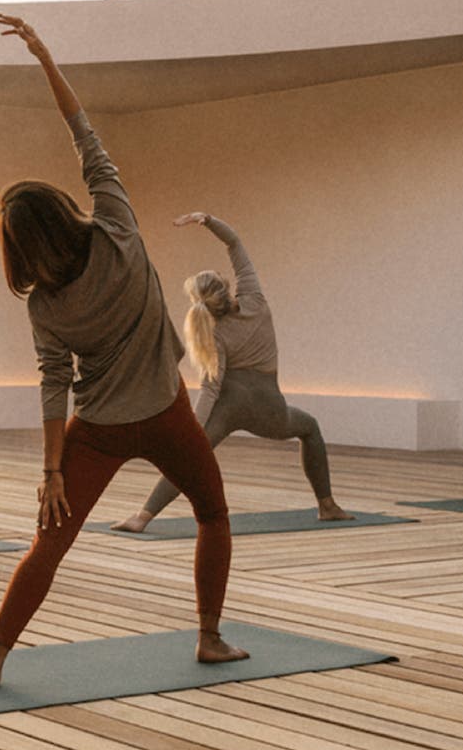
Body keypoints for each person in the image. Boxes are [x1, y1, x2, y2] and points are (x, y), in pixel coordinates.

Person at [0, 16, 244, 686]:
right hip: (167, 412)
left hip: (97, 429)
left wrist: (51, 472)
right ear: (64, 209)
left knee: (52, 539)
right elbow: (86, 138)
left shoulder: (43, 304)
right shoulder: (117, 227)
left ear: (18, 247)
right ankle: (211, 639)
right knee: (213, 514)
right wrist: (45, 56)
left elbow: (53, 384)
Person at [112, 212, 347, 531]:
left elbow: (211, 388)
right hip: (269, 407)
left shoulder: (215, 334)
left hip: (229, 406)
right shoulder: (255, 300)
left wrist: (193, 429)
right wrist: (207, 220)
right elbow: (234, 243)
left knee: (192, 455)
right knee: (309, 428)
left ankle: (143, 516)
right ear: (227, 286)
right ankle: (327, 506)